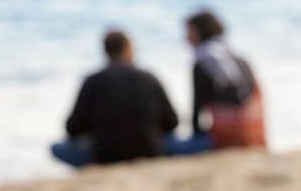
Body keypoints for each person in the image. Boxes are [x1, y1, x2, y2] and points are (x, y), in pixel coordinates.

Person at [51, 30, 204, 167]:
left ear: (106, 51)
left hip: (105, 154)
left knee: (57, 148)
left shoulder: (93, 80)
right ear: (129, 48)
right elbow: (172, 122)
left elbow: (72, 127)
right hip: (150, 150)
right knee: (185, 142)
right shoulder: (148, 77)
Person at [185, 8, 266, 148]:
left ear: (199, 32)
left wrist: (196, 135)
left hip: (223, 138)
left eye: (189, 32)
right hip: (254, 133)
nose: (186, 38)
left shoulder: (201, 62)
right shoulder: (240, 59)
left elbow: (197, 108)